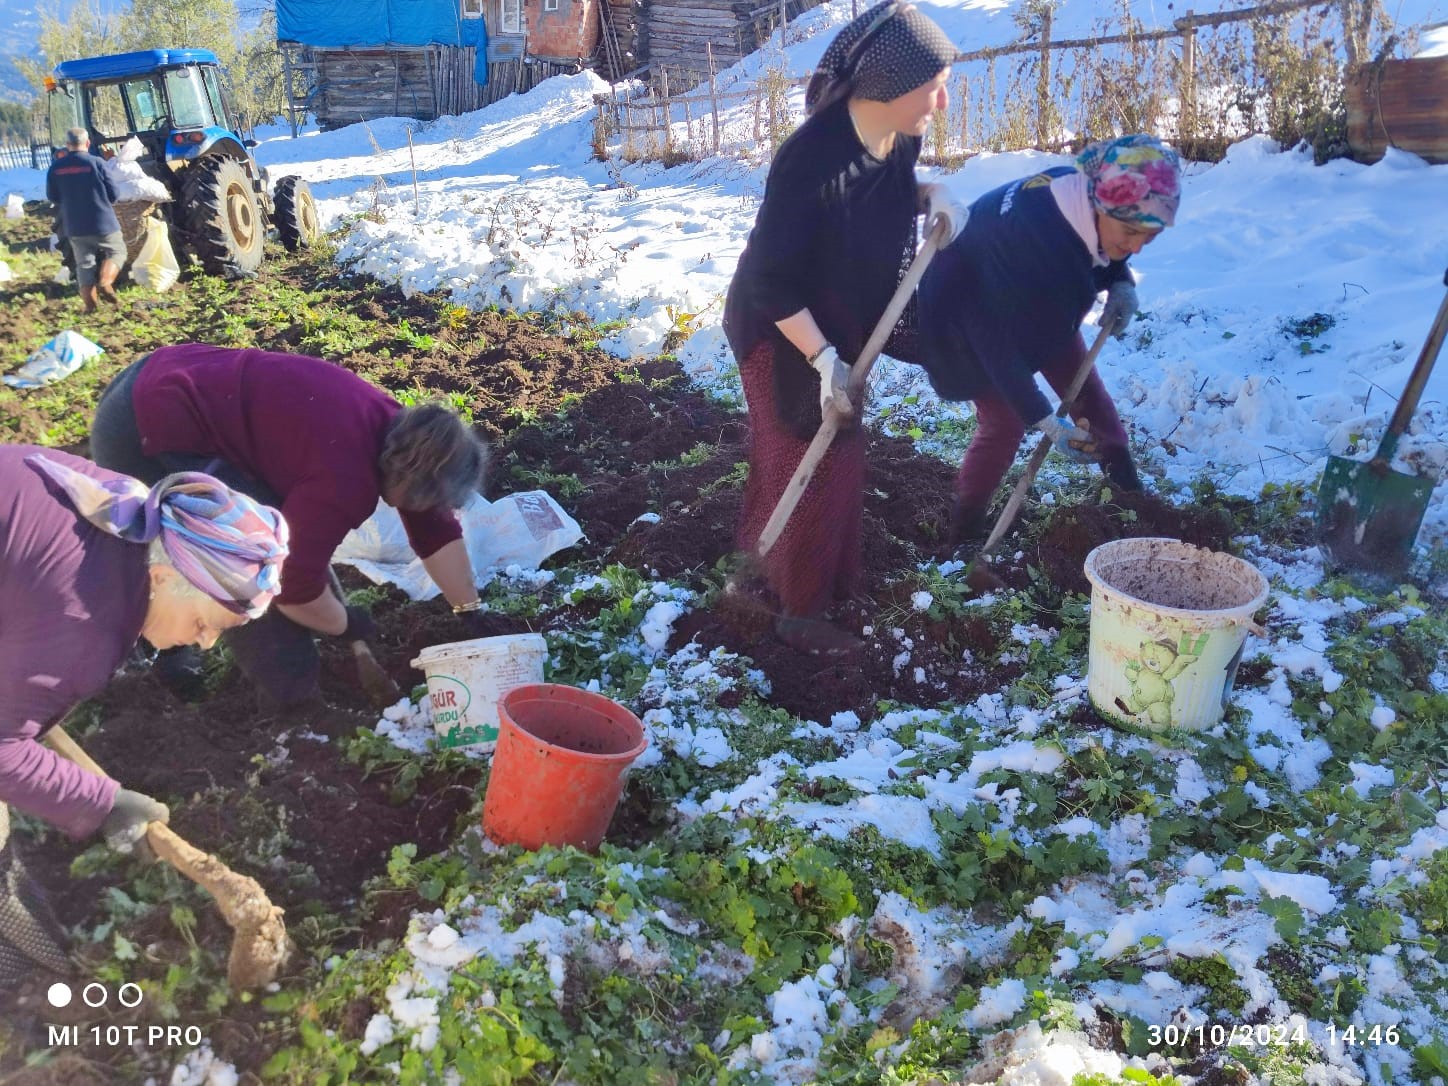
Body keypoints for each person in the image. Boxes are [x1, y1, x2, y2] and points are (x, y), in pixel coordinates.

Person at [724, 1, 962, 655]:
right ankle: (798, 614)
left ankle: (804, 576)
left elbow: (880, 197)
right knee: (808, 453)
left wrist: (930, 196)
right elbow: (772, 279)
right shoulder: (811, 160)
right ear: (887, 82)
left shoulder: (898, 137)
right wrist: (825, 362)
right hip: (782, 328)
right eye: (932, 86)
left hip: (841, 321)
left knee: (836, 453)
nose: (940, 104)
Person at [0, 446, 288, 983]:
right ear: (161, 579)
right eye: (207, 623)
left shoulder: (143, 519)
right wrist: (104, 803)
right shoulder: (81, 619)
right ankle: (15, 977)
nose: (204, 644)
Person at [90, 344, 491, 707]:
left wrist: (469, 610)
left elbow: (432, 526)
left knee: (273, 539)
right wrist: (346, 623)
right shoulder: (345, 479)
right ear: (414, 481)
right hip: (148, 428)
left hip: (167, 376)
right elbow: (292, 586)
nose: (431, 510)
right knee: (240, 563)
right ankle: (290, 701)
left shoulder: (402, 436)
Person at [917, 134, 1184, 547]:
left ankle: (1134, 501)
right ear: (1099, 202)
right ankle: (963, 533)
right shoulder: (1038, 243)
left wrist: (1119, 282)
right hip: (962, 326)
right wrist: (1043, 420)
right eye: (1130, 232)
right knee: (1004, 422)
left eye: (1149, 237)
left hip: (1032, 309)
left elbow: (1103, 253)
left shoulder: (1082, 194)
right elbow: (994, 340)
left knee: (1090, 397)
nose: (1135, 246)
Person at [46, 127, 126, 313]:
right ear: (88, 143)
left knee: (84, 264)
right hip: (103, 222)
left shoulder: (56, 168)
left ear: (67, 145)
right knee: (117, 252)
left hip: (74, 226)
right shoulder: (97, 163)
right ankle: (106, 282)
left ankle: (90, 307)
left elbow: (53, 197)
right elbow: (114, 194)